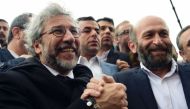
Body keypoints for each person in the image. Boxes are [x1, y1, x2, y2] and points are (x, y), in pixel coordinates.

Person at [0, 3, 127, 109]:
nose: (70, 38)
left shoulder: (86, 78)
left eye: (74, 31)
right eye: (58, 31)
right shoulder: (11, 83)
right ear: (37, 45)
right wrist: (93, 104)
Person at [86, 15, 190, 109]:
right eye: (149, 35)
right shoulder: (120, 82)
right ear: (133, 46)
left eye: (163, 34)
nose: (158, 41)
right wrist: (97, 103)